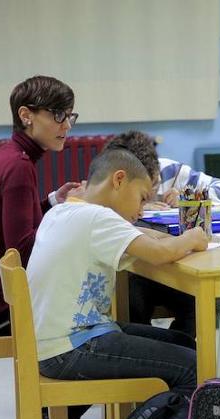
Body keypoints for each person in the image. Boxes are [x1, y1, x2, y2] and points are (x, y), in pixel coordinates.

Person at [0, 74, 98, 419]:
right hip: (1, 309)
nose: (66, 126)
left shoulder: (7, 156)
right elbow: (22, 250)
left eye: (70, 115)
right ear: (26, 115)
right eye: (58, 114)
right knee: (97, 319)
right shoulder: (19, 167)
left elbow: (21, 228)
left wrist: (54, 201)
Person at [27, 148, 207, 399]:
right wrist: (192, 237)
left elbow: (145, 236)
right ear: (119, 180)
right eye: (142, 198)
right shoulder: (98, 218)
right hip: (71, 347)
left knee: (183, 344)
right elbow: (159, 252)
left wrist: (171, 239)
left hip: (58, 343)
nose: (142, 210)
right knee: (193, 366)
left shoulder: (65, 211)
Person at [102, 130, 220, 338]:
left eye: (154, 185)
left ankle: (178, 353)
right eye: (141, 194)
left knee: (198, 301)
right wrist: (144, 207)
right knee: (133, 299)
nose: (149, 193)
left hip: (175, 267)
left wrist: (187, 197)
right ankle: (148, 354)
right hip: (134, 272)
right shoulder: (108, 185)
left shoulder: (170, 171)